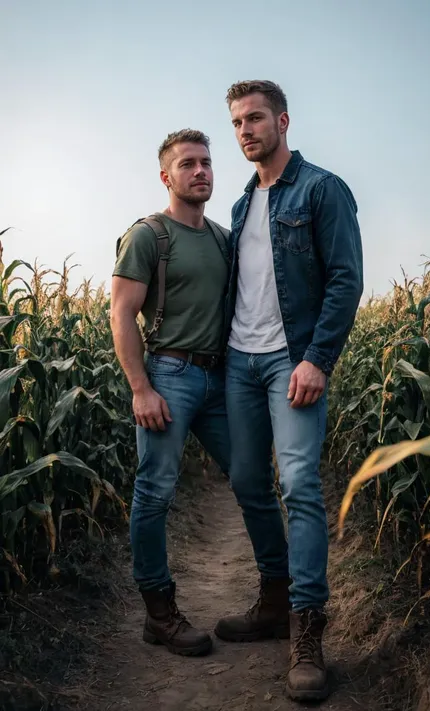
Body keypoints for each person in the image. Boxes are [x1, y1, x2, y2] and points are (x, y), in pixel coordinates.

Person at [214, 81, 364, 701]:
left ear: (282, 120)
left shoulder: (322, 189)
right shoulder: (242, 204)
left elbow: (346, 280)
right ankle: (274, 598)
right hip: (240, 364)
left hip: (292, 363)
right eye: (236, 123)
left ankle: (308, 626)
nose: (246, 130)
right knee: (248, 481)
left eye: (255, 119)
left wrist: (316, 360)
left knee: (299, 484)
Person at [111, 129, 230, 657]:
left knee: (252, 478)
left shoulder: (224, 237)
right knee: (155, 491)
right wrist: (141, 388)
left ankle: (281, 598)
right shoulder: (148, 235)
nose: (200, 171)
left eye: (206, 162)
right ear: (167, 176)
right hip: (169, 376)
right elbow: (121, 313)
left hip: (221, 379)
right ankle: (159, 613)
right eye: (188, 164)